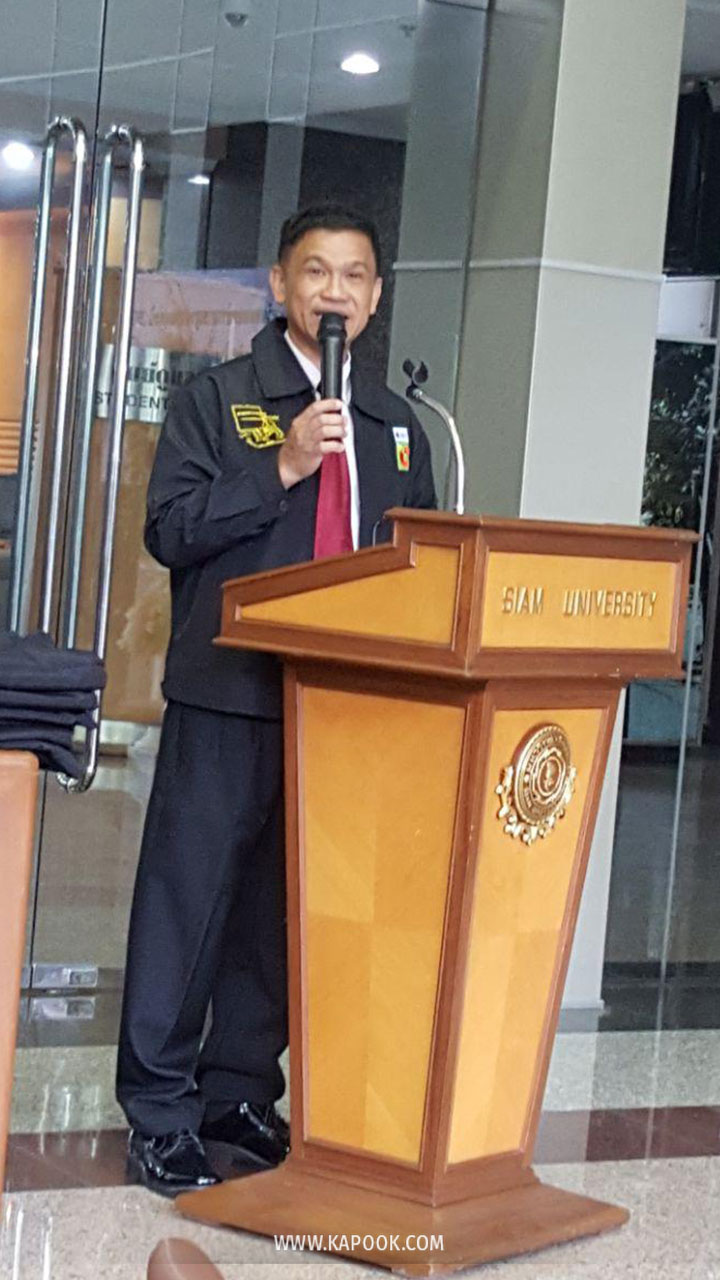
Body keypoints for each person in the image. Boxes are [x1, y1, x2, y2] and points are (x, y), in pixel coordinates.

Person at [116, 204, 437, 1197]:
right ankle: (159, 1110)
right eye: (317, 271)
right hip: (228, 691)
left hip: (340, 709)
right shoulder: (221, 400)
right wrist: (284, 464)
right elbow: (170, 529)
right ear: (279, 284)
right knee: (188, 906)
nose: (335, 291)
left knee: (279, 914)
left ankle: (239, 1093)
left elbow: (418, 559)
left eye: (355, 275)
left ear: (375, 296)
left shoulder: (395, 425)